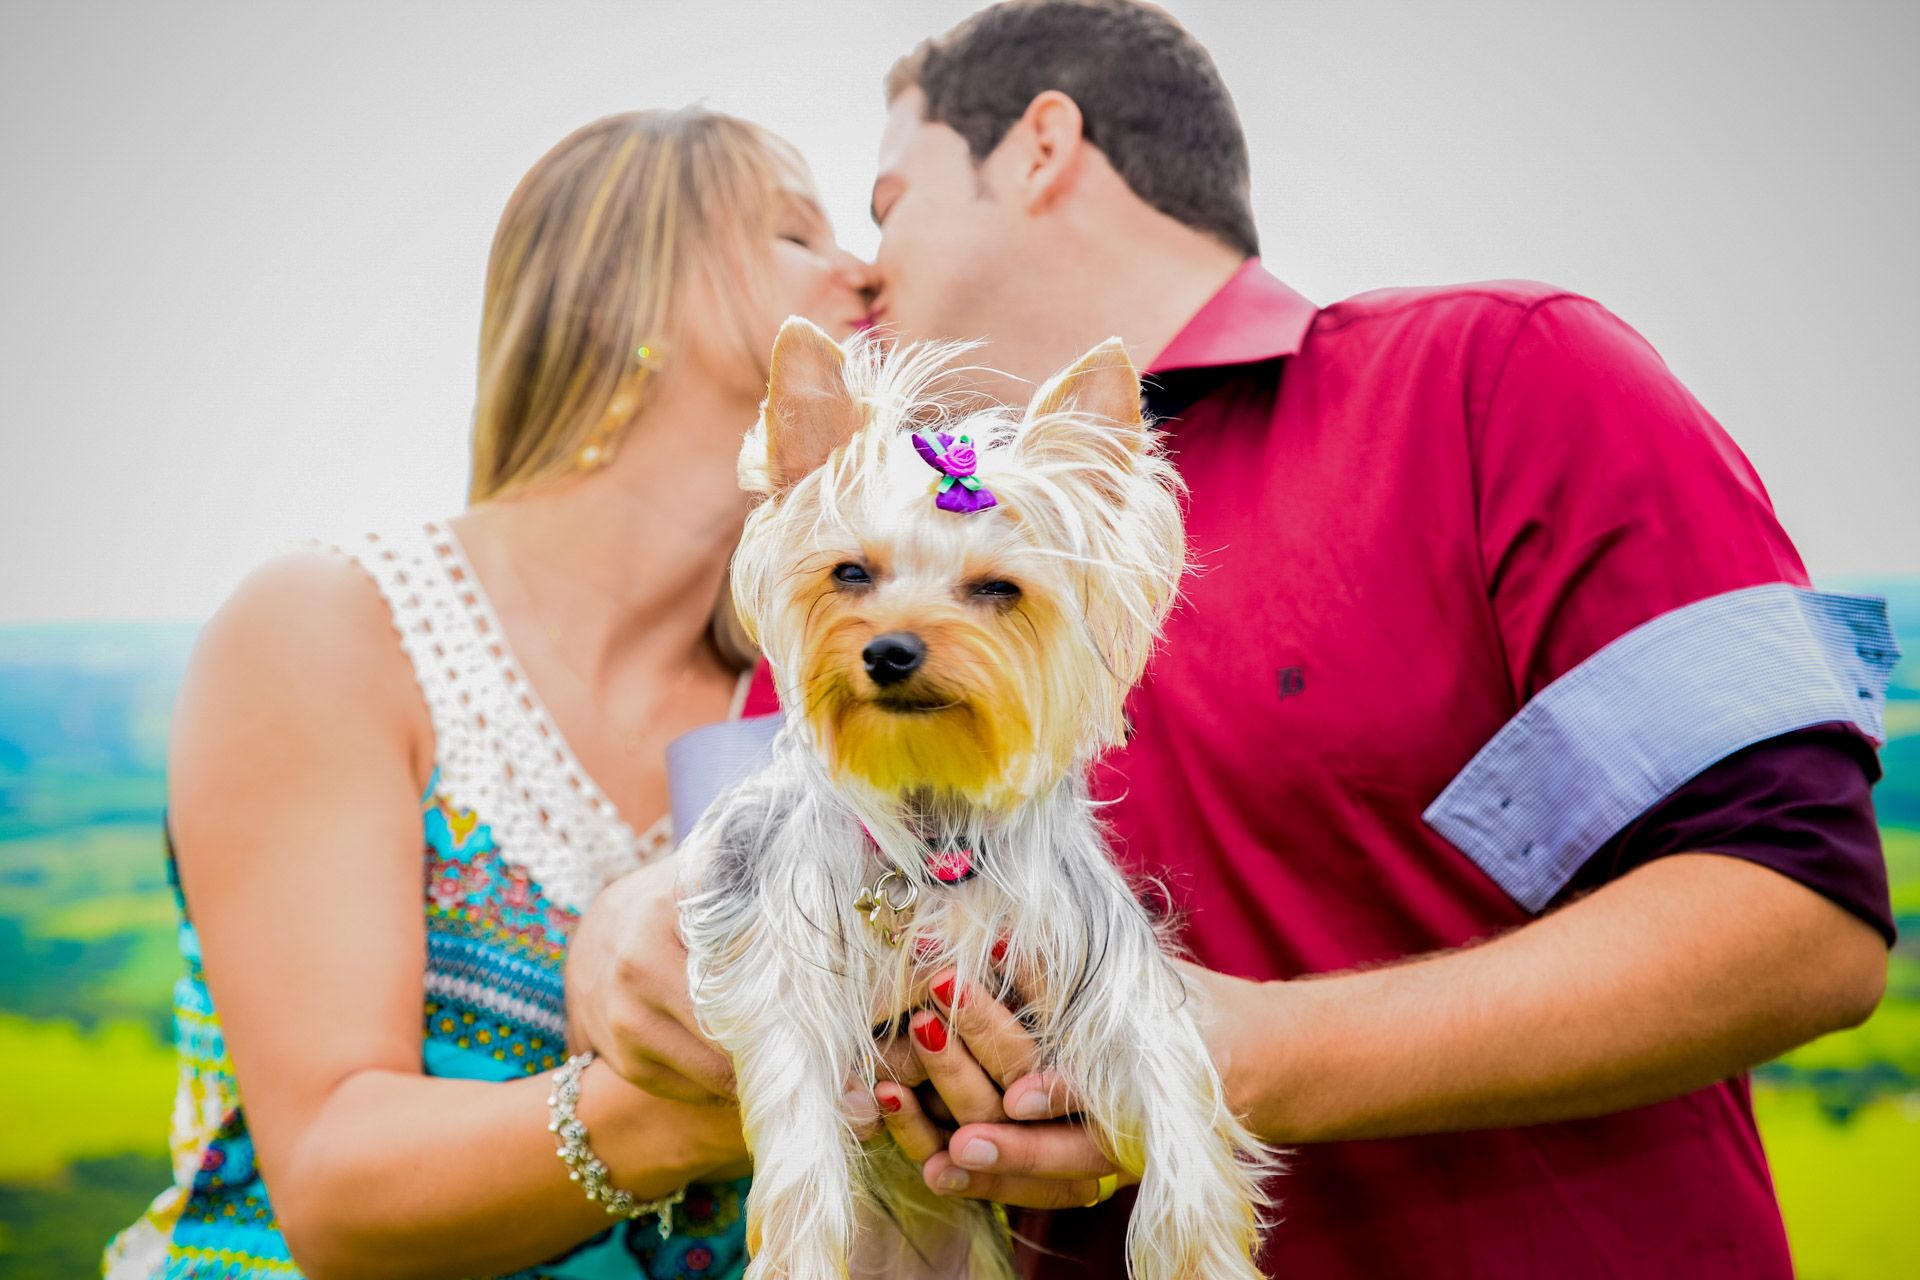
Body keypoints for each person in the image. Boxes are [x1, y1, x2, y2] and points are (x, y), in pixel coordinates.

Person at [566, 3, 1900, 1277]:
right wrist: (632, 934)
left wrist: (1234, 1052)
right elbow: (759, 875)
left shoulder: (1501, 382)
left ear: (1042, 146)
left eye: (886, 203)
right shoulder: (853, 586)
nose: (857, 269)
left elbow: (1805, 910)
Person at [104, 107, 875, 1279]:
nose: (863, 269)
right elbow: (333, 1186)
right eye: (793, 232)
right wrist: (722, 1101)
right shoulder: (334, 626)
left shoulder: (810, 700)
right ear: (632, 287)